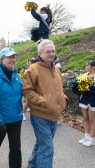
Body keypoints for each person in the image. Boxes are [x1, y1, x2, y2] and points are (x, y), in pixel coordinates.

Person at [23, 40, 68, 168]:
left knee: (41, 144)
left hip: (54, 115)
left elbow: (59, 89)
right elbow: (27, 91)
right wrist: (44, 101)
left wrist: (63, 99)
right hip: (40, 116)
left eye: (53, 51)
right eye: (48, 51)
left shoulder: (55, 68)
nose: (51, 54)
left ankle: (31, 165)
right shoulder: (34, 69)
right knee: (47, 149)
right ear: (40, 53)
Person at [78, 60, 95, 147]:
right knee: (85, 118)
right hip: (85, 99)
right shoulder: (85, 75)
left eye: (87, 65)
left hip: (93, 101)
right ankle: (86, 136)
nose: (86, 66)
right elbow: (80, 87)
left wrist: (89, 86)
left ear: (93, 67)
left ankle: (91, 139)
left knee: (92, 120)